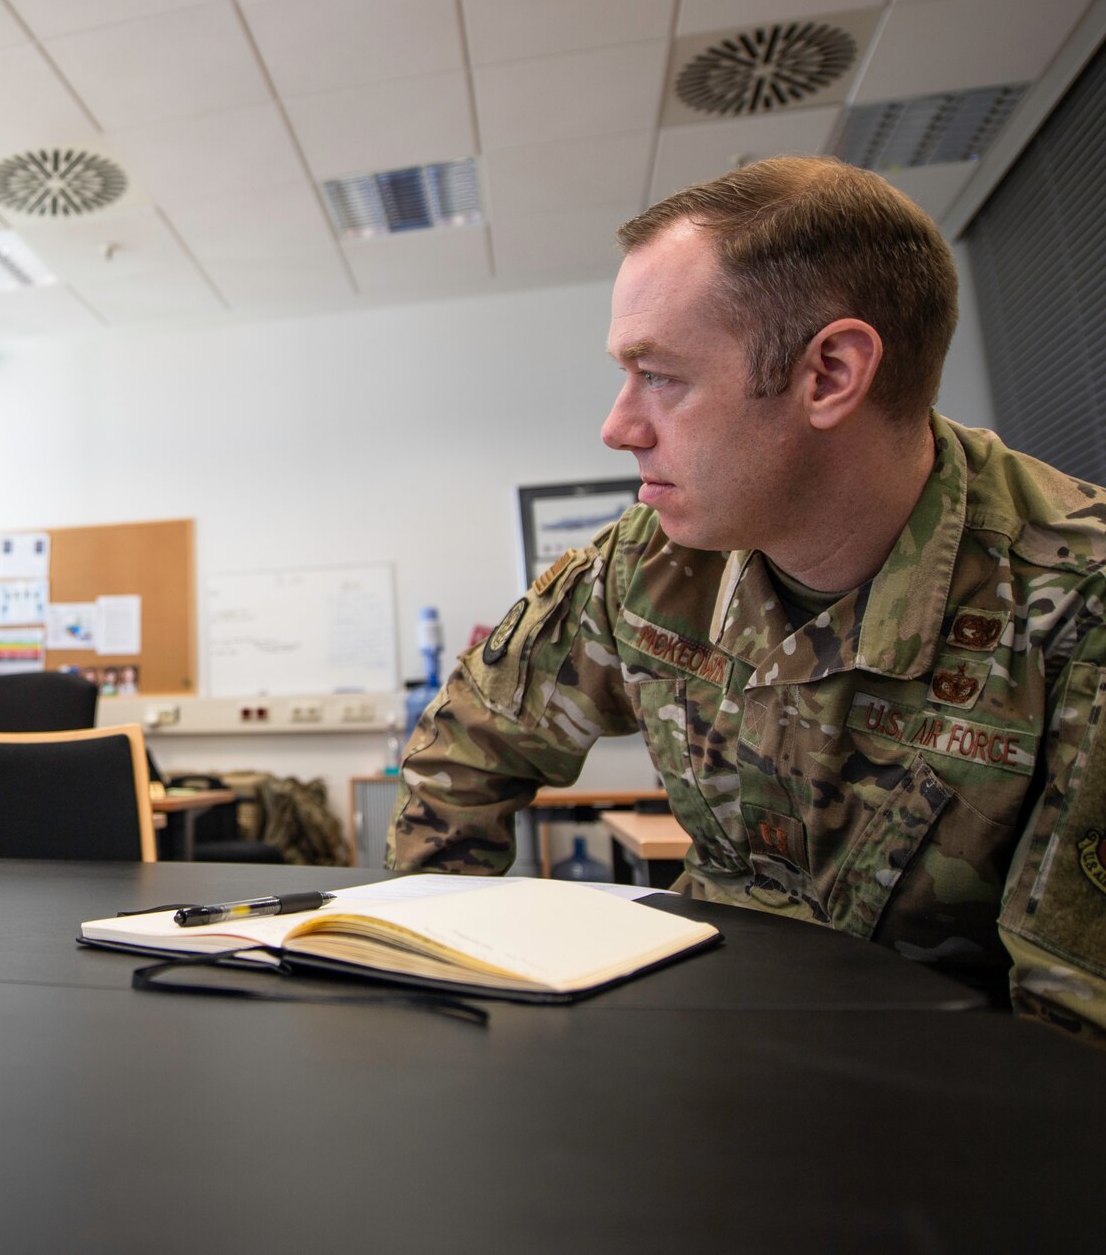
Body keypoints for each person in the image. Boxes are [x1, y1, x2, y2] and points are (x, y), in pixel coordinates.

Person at [389, 157, 1106, 1044]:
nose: (618, 426)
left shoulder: (1076, 610)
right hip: (709, 1054)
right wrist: (433, 984)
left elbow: (1075, 1040)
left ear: (831, 374)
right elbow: (467, 744)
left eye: (661, 375)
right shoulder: (648, 562)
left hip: (939, 1114)